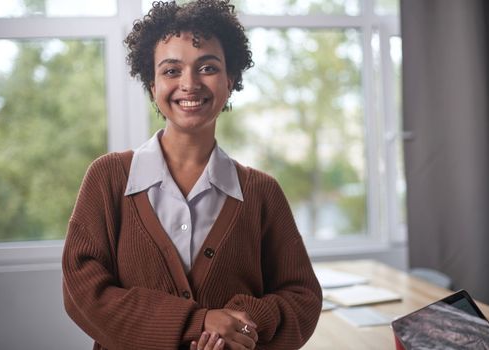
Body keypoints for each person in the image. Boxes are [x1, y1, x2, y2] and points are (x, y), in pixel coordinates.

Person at [62, 1, 322, 349]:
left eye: (208, 67)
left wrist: (243, 327)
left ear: (230, 80)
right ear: (152, 85)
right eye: (171, 70)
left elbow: (302, 297)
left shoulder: (262, 193)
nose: (190, 83)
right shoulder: (108, 178)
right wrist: (198, 322)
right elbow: (84, 292)